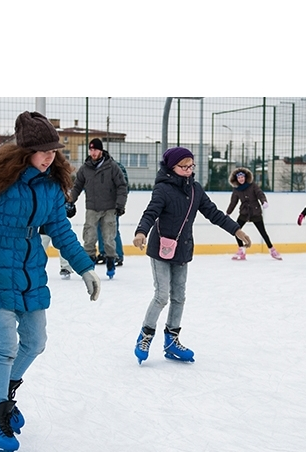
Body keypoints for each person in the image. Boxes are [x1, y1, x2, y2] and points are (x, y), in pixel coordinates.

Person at [0, 111, 101, 452]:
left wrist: (85, 267)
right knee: (6, 344)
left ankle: (1, 391)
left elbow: (60, 230)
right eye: (43, 150)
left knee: (36, 341)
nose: (50, 156)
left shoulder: (51, 184)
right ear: (24, 151)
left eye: (53, 150)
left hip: (30, 269)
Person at [132, 147, 251, 364]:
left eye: (191, 166)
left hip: (183, 249)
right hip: (160, 250)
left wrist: (236, 230)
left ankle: (171, 341)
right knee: (161, 296)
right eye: (183, 166)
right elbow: (151, 212)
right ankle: (145, 336)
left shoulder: (196, 190)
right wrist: (141, 232)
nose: (188, 170)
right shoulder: (163, 189)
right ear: (172, 167)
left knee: (179, 297)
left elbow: (214, 213)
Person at [68, 138, 128, 279]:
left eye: (96, 150)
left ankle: (111, 262)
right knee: (89, 237)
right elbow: (77, 186)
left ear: (101, 151)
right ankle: (89, 265)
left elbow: (122, 186)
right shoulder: (85, 168)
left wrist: (120, 205)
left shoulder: (112, 167)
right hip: (92, 208)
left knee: (108, 237)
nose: (93, 153)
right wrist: (70, 201)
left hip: (109, 208)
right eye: (91, 150)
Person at [225, 166, 281, 260]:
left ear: (245, 177)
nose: (241, 179)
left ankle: (272, 250)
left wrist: (264, 201)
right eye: (239, 178)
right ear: (236, 179)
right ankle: (241, 250)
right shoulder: (236, 189)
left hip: (255, 212)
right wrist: (228, 212)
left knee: (263, 232)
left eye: (242, 177)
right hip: (244, 212)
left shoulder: (253, 186)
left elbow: (260, 194)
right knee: (236, 230)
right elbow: (233, 202)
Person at [97, 157, 129, 266]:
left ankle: (117, 255)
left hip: (112, 205)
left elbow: (123, 187)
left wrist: (119, 204)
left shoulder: (117, 168)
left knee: (112, 229)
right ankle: (104, 253)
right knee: (99, 228)